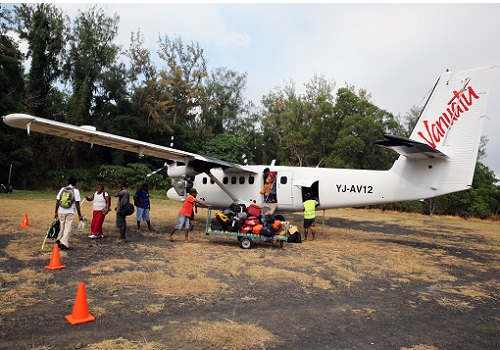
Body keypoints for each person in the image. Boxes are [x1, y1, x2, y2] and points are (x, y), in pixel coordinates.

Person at [54, 176, 83, 250]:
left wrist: (56, 212)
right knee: (68, 228)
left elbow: (57, 201)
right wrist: (79, 214)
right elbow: (77, 204)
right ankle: (64, 243)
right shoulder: (75, 191)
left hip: (61, 211)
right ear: (75, 183)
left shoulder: (62, 189)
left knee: (61, 227)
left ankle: (58, 241)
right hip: (70, 211)